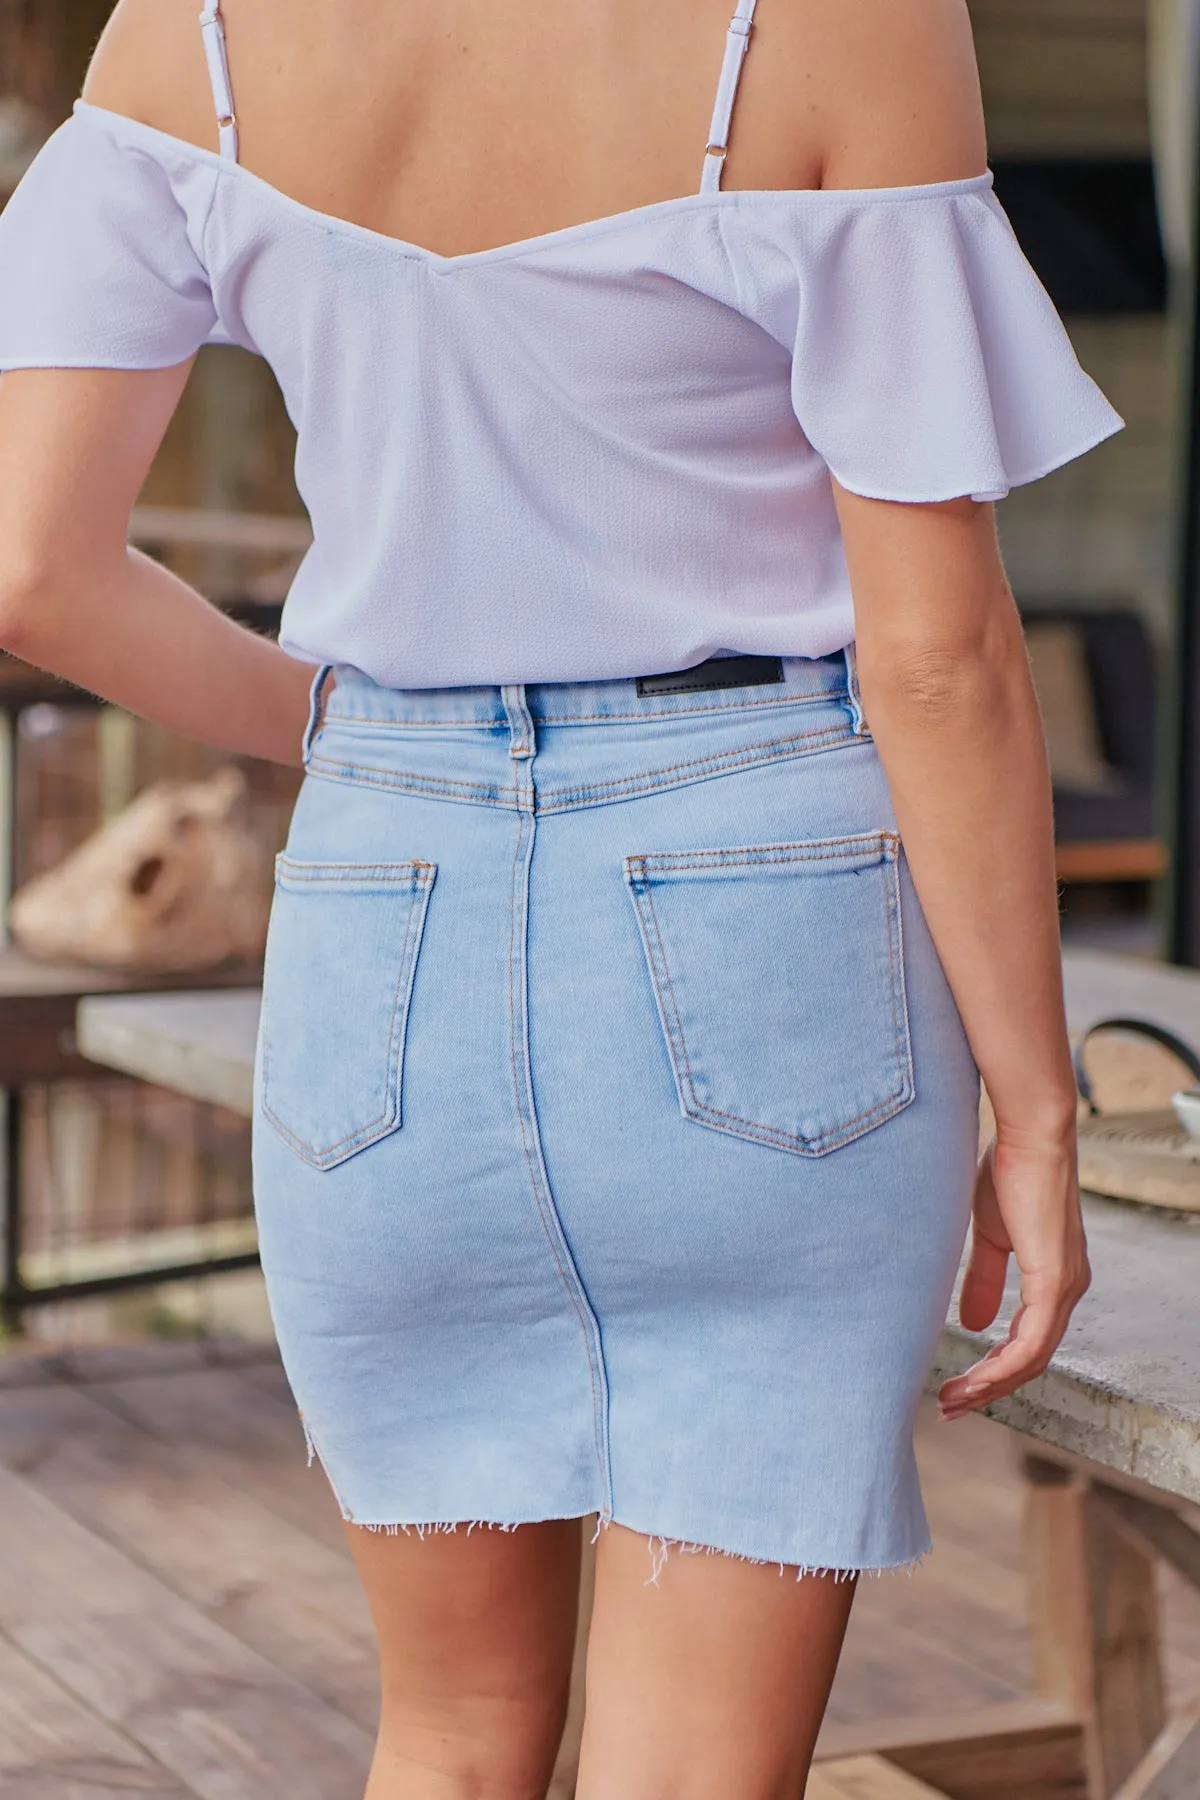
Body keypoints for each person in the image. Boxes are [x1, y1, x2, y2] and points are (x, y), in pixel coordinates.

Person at [0, 0, 1113, 1793]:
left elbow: (32, 573)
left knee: (444, 1739)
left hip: (387, 897)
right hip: (771, 895)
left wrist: (390, 753)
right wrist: (1041, 1106)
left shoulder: (187, 34)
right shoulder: (846, 25)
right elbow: (939, 664)